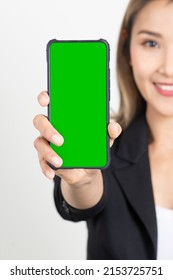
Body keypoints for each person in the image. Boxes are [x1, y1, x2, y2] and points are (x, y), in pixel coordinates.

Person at [33, 0, 173, 260]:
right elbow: (85, 198)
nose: (168, 67)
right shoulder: (106, 144)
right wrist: (83, 180)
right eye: (151, 43)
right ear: (127, 47)